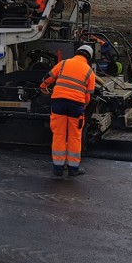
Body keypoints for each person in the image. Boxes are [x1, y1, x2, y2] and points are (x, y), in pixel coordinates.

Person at [39, 44, 95, 178]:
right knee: (74, 136)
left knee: (59, 135)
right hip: (76, 105)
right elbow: (88, 96)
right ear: (89, 57)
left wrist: (43, 87)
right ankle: (73, 169)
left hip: (59, 103)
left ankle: (58, 168)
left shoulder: (64, 63)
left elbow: (49, 77)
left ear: (77, 52)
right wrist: (83, 107)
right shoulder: (89, 72)